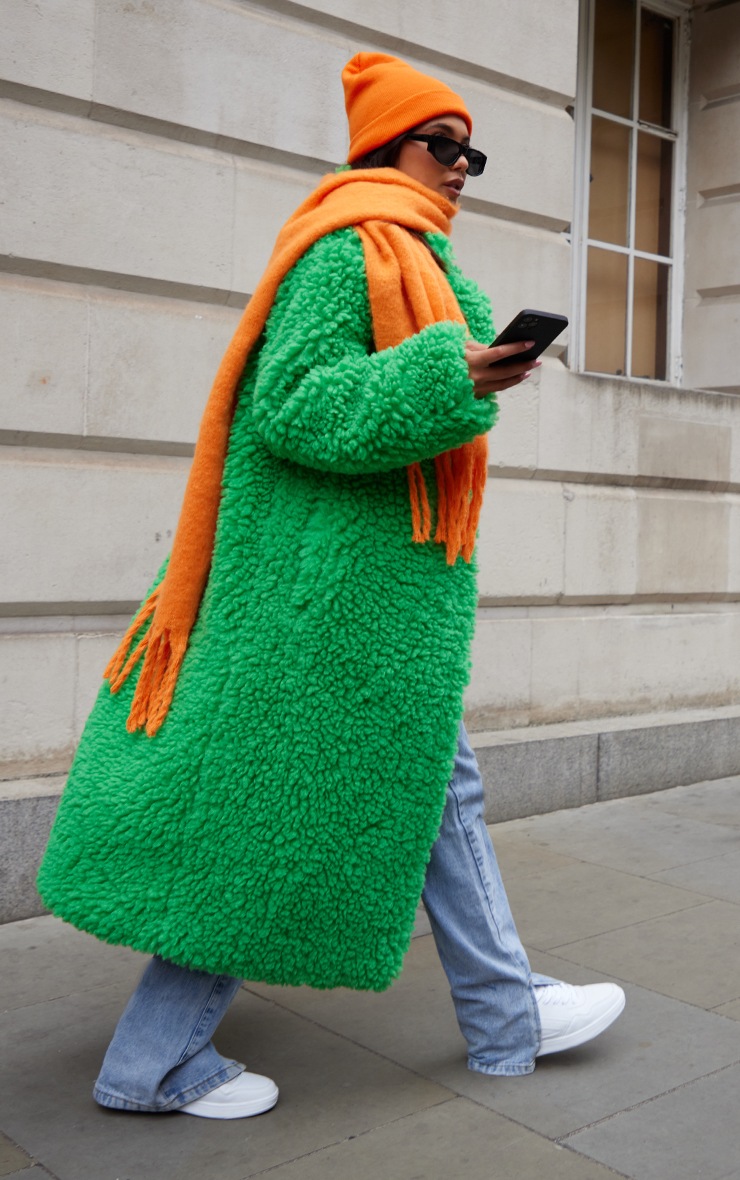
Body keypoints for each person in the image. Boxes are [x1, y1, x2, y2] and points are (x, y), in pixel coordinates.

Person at [37, 52, 625, 1121]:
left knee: (436, 791)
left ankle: (505, 1014)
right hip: (319, 604)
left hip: (372, 603)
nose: (459, 168)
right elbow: (295, 405)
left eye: (469, 154)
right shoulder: (344, 247)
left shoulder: (416, 258)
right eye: (441, 147)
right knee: (263, 828)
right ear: (385, 147)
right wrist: (447, 374)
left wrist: (461, 372)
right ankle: (150, 1062)